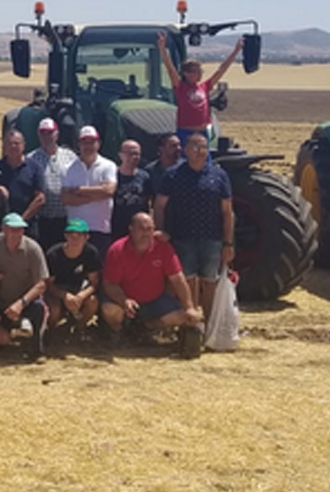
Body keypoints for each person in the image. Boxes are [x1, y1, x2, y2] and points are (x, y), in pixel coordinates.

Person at [152, 133, 234, 322]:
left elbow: (227, 212)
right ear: (186, 150)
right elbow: (159, 205)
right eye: (195, 147)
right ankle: (192, 323)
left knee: (210, 282)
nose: (199, 152)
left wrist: (228, 243)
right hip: (182, 238)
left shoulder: (219, 176)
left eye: (203, 148)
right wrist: (161, 229)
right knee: (187, 282)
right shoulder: (173, 175)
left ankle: (210, 323)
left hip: (212, 239)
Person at [99, 213, 204, 355]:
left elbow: (178, 279)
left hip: (155, 300)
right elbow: (109, 283)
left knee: (182, 317)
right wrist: (124, 300)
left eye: (150, 229)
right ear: (131, 229)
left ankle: (145, 328)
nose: (146, 233)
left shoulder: (163, 247)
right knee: (109, 309)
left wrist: (190, 307)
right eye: (141, 229)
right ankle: (118, 333)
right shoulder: (117, 249)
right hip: (125, 300)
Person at [0, 213, 50, 362]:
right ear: (3, 229)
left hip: (25, 302)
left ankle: (36, 349)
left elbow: (42, 283)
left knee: (39, 308)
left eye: (19, 230)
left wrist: (21, 303)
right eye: (12, 229)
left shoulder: (33, 249)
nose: (15, 234)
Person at [157, 30, 244, 146]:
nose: (198, 74)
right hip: (185, 132)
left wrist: (236, 50)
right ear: (186, 73)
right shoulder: (180, 87)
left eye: (199, 71)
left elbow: (221, 69)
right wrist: (162, 49)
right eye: (194, 71)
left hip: (203, 132)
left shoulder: (204, 87)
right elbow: (170, 67)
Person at [62, 126, 118, 260]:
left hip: (100, 229)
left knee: (99, 272)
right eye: (84, 142)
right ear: (79, 144)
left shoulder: (108, 165)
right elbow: (66, 198)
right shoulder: (68, 168)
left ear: (98, 143)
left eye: (92, 142)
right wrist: (98, 194)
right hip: (75, 230)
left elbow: (109, 191)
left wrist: (78, 190)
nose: (88, 146)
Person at [45, 218, 101, 339]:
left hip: (79, 289)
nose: (74, 239)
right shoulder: (53, 254)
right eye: (71, 235)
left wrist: (81, 296)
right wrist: (65, 296)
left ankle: (78, 328)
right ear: (65, 236)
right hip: (57, 291)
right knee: (54, 309)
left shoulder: (91, 253)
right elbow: (48, 285)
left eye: (79, 235)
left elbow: (94, 282)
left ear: (86, 237)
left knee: (92, 302)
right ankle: (51, 332)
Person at [27, 118, 77, 249]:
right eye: (43, 133)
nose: (46, 137)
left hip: (65, 219)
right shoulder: (31, 159)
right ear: (38, 135)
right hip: (42, 220)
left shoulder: (70, 157)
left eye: (50, 133)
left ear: (57, 134)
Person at [0, 129, 44, 233]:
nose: (13, 146)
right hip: (1, 226)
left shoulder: (34, 167)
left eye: (16, 143)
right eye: (9, 143)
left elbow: (40, 198)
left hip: (27, 226)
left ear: (23, 145)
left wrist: (20, 221)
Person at [111, 139, 153, 239]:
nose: (134, 157)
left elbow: (150, 202)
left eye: (137, 154)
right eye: (130, 153)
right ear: (120, 155)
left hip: (139, 229)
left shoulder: (145, 177)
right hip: (116, 227)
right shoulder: (112, 175)